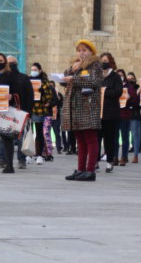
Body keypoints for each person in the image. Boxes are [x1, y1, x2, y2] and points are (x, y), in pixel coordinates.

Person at [60, 39, 103, 181]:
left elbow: (95, 81)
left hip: (88, 106)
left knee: (90, 139)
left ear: (91, 52)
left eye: (84, 50)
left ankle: (90, 171)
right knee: (80, 140)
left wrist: (73, 79)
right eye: (79, 50)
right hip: (75, 107)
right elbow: (64, 80)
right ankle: (80, 169)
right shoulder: (76, 65)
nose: (81, 53)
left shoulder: (95, 65)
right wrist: (71, 70)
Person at [6, 55, 34, 169]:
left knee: (20, 136)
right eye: (9, 63)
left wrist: (29, 112)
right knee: (4, 136)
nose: (11, 65)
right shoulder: (3, 77)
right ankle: (4, 159)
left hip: (21, 110)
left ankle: (21, 160)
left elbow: (30, 95)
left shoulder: (23, 78)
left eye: (13, 63)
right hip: (6, 111)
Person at [99, 52, 123, 173]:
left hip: (111, 113)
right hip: (98, 113)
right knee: (96, 138)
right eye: (102, 61)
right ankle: (95, 162)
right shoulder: (97, 75)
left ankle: (109, 161)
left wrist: (104, 91)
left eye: (105, 61)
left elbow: (118, 92)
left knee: (109, 139)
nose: (103, 63)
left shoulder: (115, 76)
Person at [29, 63, 55, 162]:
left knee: (39, 132)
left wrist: (42, 93)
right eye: (32, 69)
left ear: (40, 70)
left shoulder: (44, 82)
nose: (33, 71)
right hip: (29, 108)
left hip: (39, 109)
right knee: (28, 132)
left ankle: (39, 154)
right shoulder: (28, 80)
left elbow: (49, 97)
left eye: (35, 69)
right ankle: (28, 153)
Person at [123, 73, 141, 164]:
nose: (130, 80)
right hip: (125, 114)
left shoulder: (138, 88)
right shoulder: (123, 88)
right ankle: (125, 155)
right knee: (125, 135)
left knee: (135, 135)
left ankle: (135, 155)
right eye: (128, 78)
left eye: (132, 78)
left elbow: (140, 102)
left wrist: (137, 94)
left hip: (135, 114)